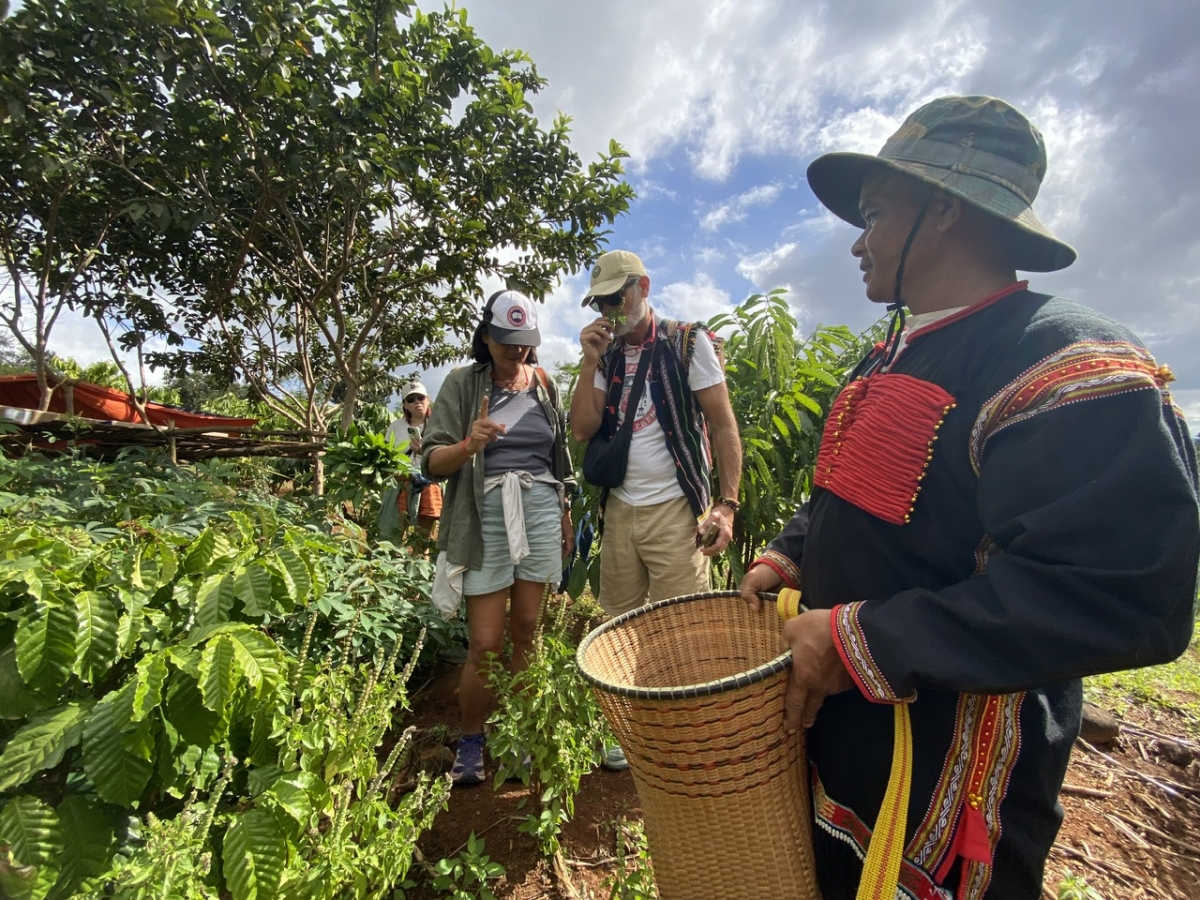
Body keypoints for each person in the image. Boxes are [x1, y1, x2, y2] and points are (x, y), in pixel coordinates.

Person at [738, 95, 1199, 900]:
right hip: (849, 741)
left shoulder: (1065, 364)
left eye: (874, 215)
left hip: (948, 785)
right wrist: (791, 553)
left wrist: (864, 639)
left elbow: (1122, 597)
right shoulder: (889, 355)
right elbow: (847, 491)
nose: (857, 242)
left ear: (945, 209)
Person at [571, 248, 743, 770]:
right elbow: (581, 429)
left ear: (643, 287)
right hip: (621, 510)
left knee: (683, 629)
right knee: (620, 627)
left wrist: (726, 504)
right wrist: (588, 361)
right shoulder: (605, 356)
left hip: (675, 509)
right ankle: (631, 731)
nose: (610, 309)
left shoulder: (686, 342)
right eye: (601, 302)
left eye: (617, 296)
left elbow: (723, 425)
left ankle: (687, 737)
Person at [421, 290, 576, 786]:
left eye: (524, 340)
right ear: (485, 336)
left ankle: (521, 735)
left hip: (540, 509)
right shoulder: (463, 383)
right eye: (506, 339)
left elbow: (559, 459)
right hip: (484, 512)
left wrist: (564, 514)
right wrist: (470, 444)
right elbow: (431, 462)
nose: (516, 350)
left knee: (528, 629)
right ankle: (472, 738)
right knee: (485, 642)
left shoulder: (545, 384)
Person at [384, 380, 442, 536]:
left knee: (422, 537)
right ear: (405, 404)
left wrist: (424, 452)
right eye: (411, 399)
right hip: (402, 482)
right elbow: (387, 455)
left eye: (420, 397)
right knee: (396, 531)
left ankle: (420, 552)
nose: (417, 402)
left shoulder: (439, 425)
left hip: (429, 483)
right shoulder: (395, 427)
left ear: (428, 399)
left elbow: (445, 454)